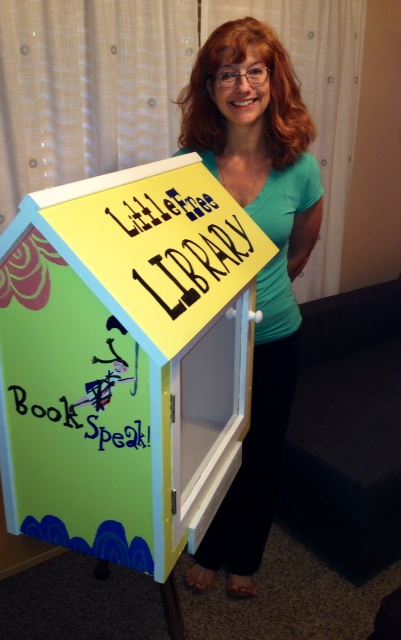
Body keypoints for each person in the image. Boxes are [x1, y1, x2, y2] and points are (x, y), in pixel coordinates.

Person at [175, 16, 324, 597]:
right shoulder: (188, 165)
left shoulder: (301, 166)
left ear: (274, 79)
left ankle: (245, 557)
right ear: (210, 88)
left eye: (255, 71)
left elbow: (301, 248)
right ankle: (209, 549)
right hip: (208, 343)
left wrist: (260, 295)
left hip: (275, 337)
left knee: (261, 452)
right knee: (208, 450)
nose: (242, 86)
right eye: (226, 74)